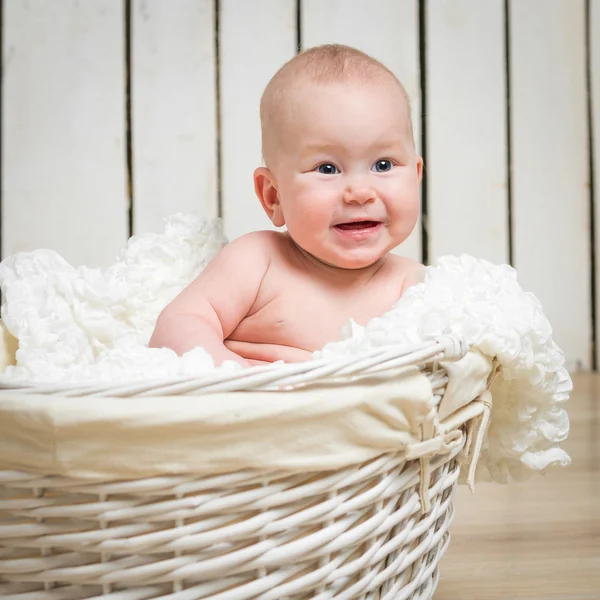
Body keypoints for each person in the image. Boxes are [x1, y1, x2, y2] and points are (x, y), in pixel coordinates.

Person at [149, 44, 424, 367]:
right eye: (327, 169)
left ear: (417, 175)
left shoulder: (414, 287)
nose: (360, 193)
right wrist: (239, 375)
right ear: (273, 196)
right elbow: (176, 327)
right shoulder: (258, 262)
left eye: (383, 164)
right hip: (246, 410)